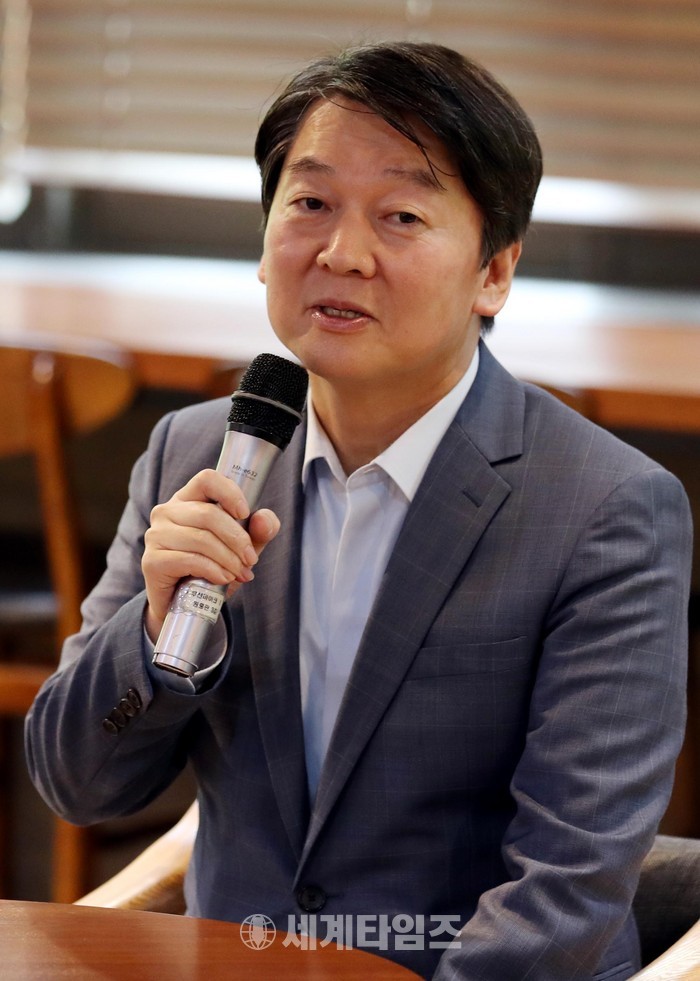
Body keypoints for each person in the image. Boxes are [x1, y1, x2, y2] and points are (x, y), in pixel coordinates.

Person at [25, 41, 692, 980]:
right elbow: (76, 784)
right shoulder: (197, 453)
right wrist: (155, 632)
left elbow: (567, 890)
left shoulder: (609, 508)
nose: (342, 253)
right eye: (310, 204)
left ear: (494, 272)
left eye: (401, 215)